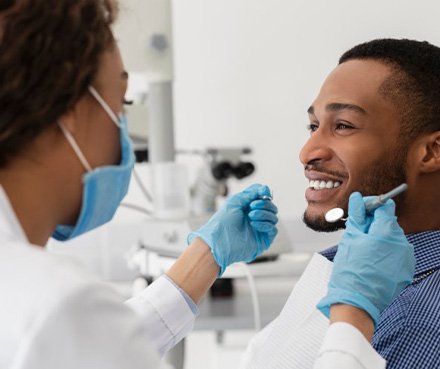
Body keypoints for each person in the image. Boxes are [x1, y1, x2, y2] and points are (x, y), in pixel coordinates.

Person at [0, 1, 279, 368]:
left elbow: (91, 348)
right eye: (122, 102)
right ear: (69, 109)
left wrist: (206, 256)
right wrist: (350, 316)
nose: (123, 128)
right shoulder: (57, 305)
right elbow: (81, 337)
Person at [239, 38, 440, 369]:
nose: (307, 152)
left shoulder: (413, 323)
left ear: (432, 152)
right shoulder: (353, 275)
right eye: (314, 126)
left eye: (343, 126)